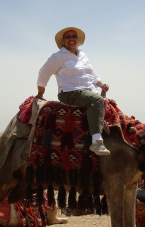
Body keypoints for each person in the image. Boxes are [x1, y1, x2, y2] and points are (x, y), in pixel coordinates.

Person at [37, 27, 110, 156]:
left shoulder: (83, 55)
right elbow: (44, 72)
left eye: (73, 36)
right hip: (69, 92)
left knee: (108, 106)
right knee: (97, 101)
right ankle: (96, 142)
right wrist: (41, 92)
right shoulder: (58, 57)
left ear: (77, 39)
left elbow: (91, 72)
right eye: (68, 37)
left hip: (88, 91)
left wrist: (100, 84)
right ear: (63, 41)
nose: (71, 39)